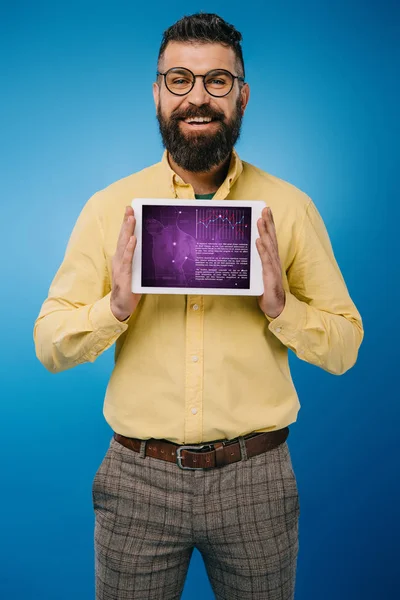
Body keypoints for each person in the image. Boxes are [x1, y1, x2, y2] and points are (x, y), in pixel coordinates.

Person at [33, 12, 364, 600]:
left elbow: (345, 347)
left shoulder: (288, 209)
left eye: (217, 81)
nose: (198, 98)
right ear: (158, 93)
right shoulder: (111, 209)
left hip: (257, 479)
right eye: (180, 80)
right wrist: (114, 307)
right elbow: (49, 343)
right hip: (137, 479)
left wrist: (281, 307)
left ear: (242, 95)